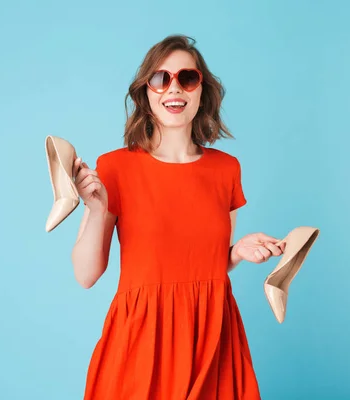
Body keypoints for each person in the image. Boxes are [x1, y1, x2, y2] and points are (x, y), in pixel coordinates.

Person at [70, 34, 285, 400]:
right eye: (160, 78)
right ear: (145, 92)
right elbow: (86, 275)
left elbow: (208, 264)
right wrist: (95, 209)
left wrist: (237, 251)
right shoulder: (115, 167)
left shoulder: (226, 169)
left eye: (187, 78)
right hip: (142, 339)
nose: (174, 88)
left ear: (202, 90)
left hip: (213, 336)